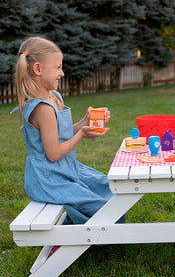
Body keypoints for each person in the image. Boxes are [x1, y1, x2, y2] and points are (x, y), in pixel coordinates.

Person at [12, 36, 123, 224]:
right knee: (105, 208)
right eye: (57, 67)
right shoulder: (42, 108)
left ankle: (74, 227)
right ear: (37, 69)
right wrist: (82, 134)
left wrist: (84, 122)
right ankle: (68, 235)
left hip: (66, 170)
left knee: (108, 188)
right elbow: (54, 153)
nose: (62, 73)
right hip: (50, 180)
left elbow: (59, 135)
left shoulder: (53, 97)